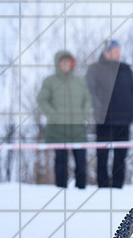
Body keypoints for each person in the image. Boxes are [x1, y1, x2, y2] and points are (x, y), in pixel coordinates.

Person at [85, 39, 133, 189]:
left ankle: (118, 186)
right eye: (115, 51)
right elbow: (90, 91)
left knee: (121, 156)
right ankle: (102, 186)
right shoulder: (96, 68)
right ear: (106, 52)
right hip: (104, 120)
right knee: (102, 155)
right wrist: (99, 108)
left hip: (124, 120)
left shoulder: (126, 69)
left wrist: (131, 111)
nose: (118, 54)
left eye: (119, 52)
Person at [37, 50, 92, 189]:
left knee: (80, 160)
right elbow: (42, 100)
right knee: (60, 161)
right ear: (58, 63)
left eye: (68, 62)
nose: (66, 64)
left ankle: (81, 189)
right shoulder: (50, 81)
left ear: (72, 63)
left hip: (77, 128)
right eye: (63, 62)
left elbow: (88, 99)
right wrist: (53, 115)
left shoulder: (80, 81)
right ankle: (61, 189)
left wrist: (84, 114)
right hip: (57, 128)